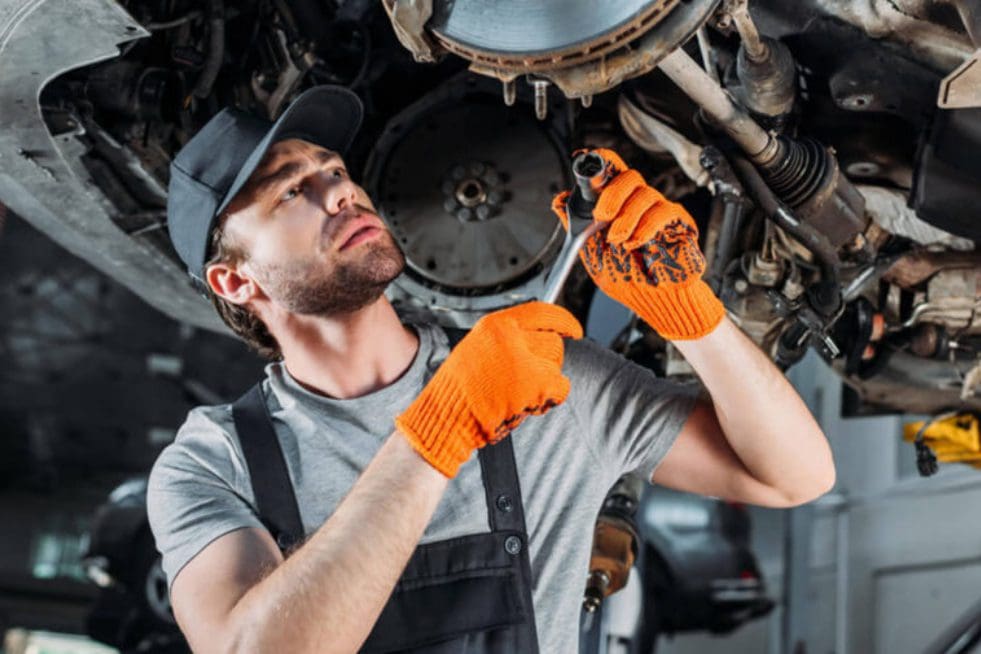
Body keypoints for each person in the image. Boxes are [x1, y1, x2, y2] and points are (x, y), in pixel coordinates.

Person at [148, 85, 835, 653]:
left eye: (333, 170)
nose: (338, 193)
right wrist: (437, 435)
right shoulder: (213, 463)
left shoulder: (535, 373)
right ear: (234, 282)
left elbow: (793, 475)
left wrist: (694, 318)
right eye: (288, 192)